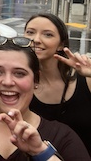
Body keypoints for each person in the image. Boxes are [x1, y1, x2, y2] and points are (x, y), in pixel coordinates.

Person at [24, 13, 91, 156]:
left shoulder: (85, 80)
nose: (36, 39)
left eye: (47, 35)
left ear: (61, 44)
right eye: (30, 32)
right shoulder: (20, 84)